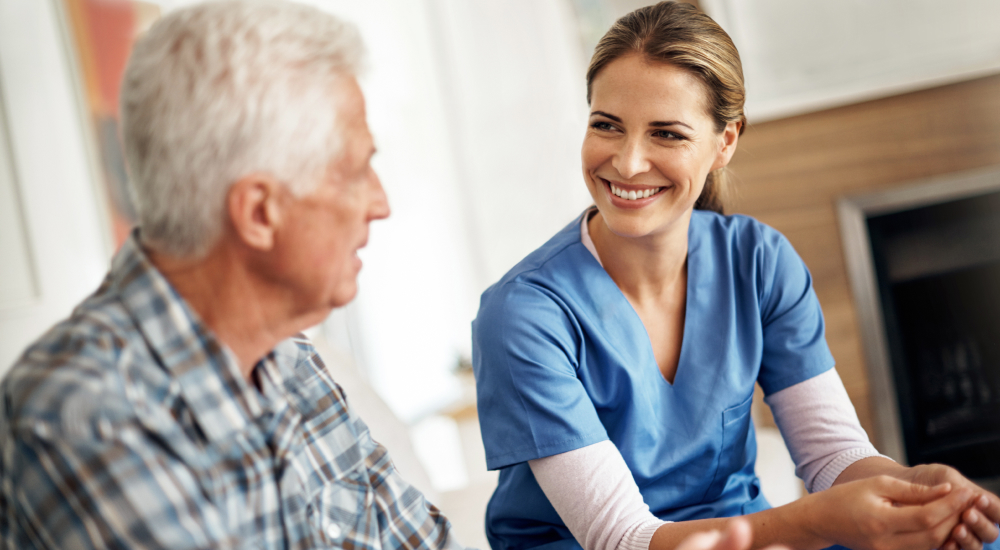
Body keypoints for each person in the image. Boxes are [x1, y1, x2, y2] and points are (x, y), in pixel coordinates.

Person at [0, 2, 779, 550]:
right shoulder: (80, 415)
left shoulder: (289, 364)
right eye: (357, 170)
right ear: (260, 213)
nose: (381, 204)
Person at [471, 3, 1000, 550]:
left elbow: (832, 457)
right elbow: (620, 537)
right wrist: (818, 520)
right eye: (607, 125)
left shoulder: (758, 262)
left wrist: (913, 490)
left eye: (667, 134)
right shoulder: (523, 315)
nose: (627, 163)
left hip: (752, 536)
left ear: (725, 142)